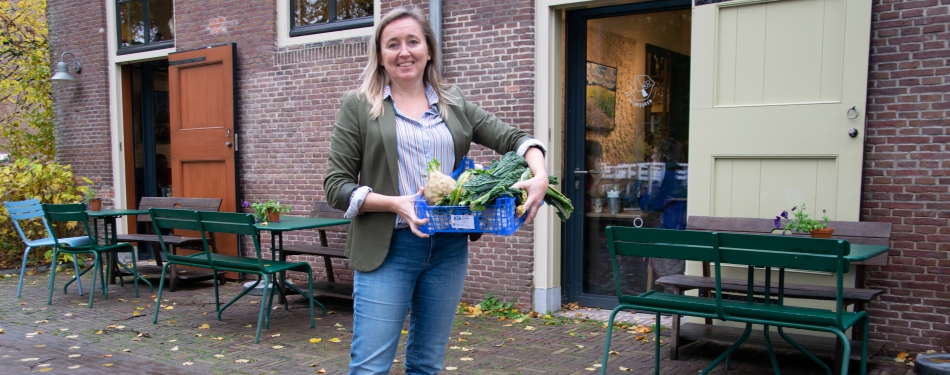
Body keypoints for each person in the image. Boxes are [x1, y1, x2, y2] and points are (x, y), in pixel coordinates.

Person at [323, 6, 548, 375]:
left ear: (428, 49)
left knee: (427, 365)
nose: (404, 51)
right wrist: (395, 204)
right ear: (380, 55)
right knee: (370, 367)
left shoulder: (453, 102)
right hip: (388, 249)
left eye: (413, 41)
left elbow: (515, 139)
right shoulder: (360, 106)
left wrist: (539, 173)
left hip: (448, 248)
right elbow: (336, 186)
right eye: (392, 44)